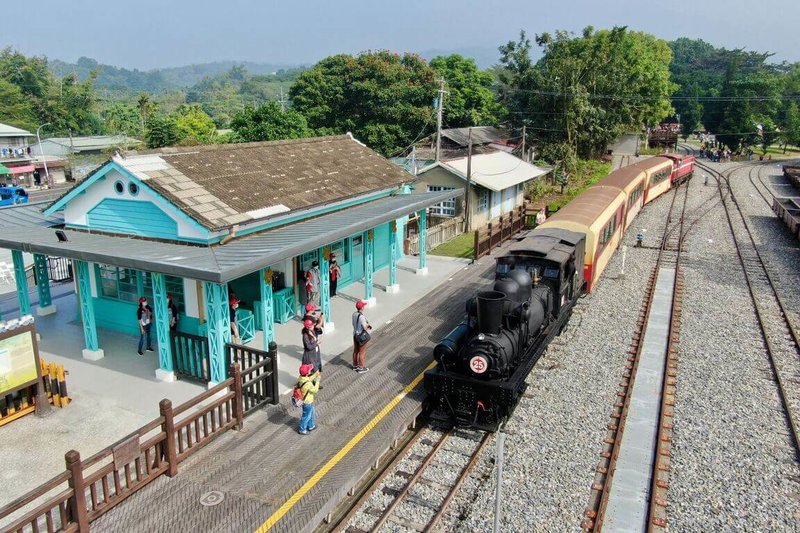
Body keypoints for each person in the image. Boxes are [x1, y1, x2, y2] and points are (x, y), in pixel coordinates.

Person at [297, 364, 320, 435]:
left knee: (311, 413)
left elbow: (308, 379)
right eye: (309, 370)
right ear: (307, 373)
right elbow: (315, 390)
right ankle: (302, 429)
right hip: (307, 402)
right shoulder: (307, 384)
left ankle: (311, 426)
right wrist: (317, 381)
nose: (310, 370)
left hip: (307, 401)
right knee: (306, 416)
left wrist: (315, 375)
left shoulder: (301, 378)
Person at [352, 300, 372, 373]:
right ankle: (361, 367)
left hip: (355, 335)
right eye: (363, 305)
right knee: (362, 352)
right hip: (361, 336)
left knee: (355, 351)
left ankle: (355, 365)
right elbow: (364, 327)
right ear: (362, 308)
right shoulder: (361, 317)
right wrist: (368, 326)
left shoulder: (354, 314)